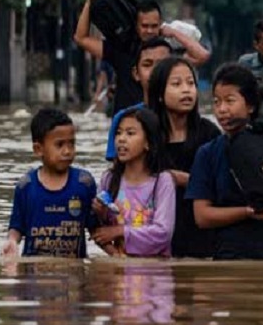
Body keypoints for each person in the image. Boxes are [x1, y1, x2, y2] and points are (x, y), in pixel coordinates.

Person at [186, 64, 263, 260]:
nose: (222, 109)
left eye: (230, 101)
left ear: (250, 105)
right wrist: (246, 212)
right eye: (216, 102)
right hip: (230, 255)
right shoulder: (207, 153)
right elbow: (202, 217)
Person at [74, 0, 210, 114]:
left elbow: (202, 55)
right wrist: (89, 1)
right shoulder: (121, 51)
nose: (149, 31)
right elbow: (81, 38)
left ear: (160, 25)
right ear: (136, 26)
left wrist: (174, 33)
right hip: (127, 125)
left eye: (154, 26)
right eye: (145, 26)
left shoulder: (167, 54)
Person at [147, 57, 221, 258]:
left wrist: (185, 179)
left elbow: (223, 186)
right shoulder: (147, 136)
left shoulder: (210, 134)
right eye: (176, 84)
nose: (186, 90)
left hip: (202, 239)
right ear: (160, 94)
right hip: (157, 239)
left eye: (191, 83)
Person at [2, 108, 97, 258]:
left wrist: (117, 255)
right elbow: (17, 227)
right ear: (38, 149)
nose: (67, 151)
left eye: (71, 144)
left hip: (74, 276)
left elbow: (96, 229)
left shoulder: (84, 183)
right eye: (59, 145)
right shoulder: (26, 186)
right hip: (34, 274)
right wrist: (12, 241)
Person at [92, 108, 176, 257]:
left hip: (154, 270)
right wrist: (101, 213)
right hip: (118, 268)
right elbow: (98, 229)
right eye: (118, 133)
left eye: (130, 133)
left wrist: (120, 231)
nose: (121, 139)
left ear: (148, 143)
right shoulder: (109, 179)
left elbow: (163, 233)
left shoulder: (162, 181)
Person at [104, 37, 173, 161]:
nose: (155, 71)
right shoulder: (123, 119)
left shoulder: (184, 116)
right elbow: (117, 172)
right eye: (147, 64)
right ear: (136, 73)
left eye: (162, 64)